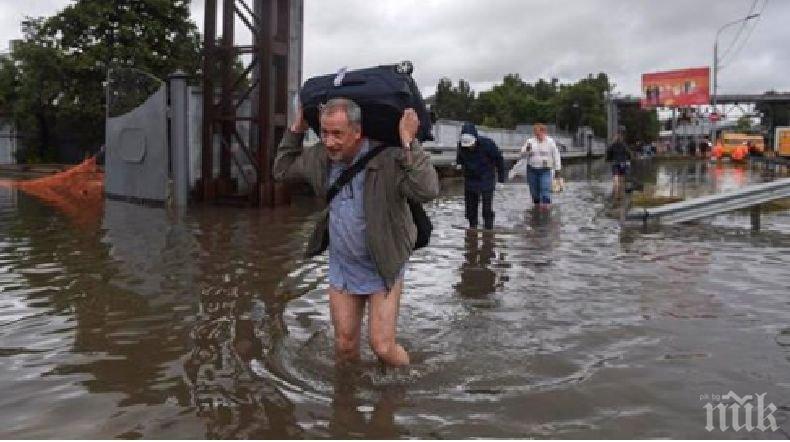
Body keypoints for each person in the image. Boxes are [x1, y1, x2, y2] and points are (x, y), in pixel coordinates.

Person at [273, 98, 439, 367]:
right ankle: (347, 400)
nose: (329, 142)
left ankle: (400, 389)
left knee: (383, 347)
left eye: (337, 134)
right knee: (345, 347)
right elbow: (281, 171)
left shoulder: (388, 157)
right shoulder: (319, 158)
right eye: (324, 132)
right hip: (344, 263)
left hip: (383, 262)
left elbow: (427, 190)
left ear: (357, 131)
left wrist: (409, 142)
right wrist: (296, 129)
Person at [455, 122, 506, 229]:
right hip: (470, 178)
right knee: (470, 208)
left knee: (487, 208)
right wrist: (459, 164)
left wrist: (501, 180)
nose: (469, 147)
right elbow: (459, 158)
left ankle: (488, 230)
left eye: (471, 144)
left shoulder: (488, 144)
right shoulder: (461, 146)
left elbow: (499, 160)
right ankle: (472, 229)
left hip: (486, 177)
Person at [520, 123, 561, 210]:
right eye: (536, 133)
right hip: (532, 169)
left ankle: (546, 210)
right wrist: (527, 150)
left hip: (545, 169)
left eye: (539, 133)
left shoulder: (550, 142)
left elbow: (556, 155)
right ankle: (536, 208)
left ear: (544, 132)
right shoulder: (530, 141)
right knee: (534, 192)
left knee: (545, 188)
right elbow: (522, 154)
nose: (538, 135)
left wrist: (557, 169)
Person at [606, 133, 633, 198]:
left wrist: (608, 160)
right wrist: (628, 159)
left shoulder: (611, 146)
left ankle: (616, 192)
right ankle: (620, 193)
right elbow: (628, 153)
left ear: (614, 139)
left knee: (615, 177)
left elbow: (608, 154)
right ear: (621, 139)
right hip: (623, 163)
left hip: (615, 163)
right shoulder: (624, 145)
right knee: (621, 178)